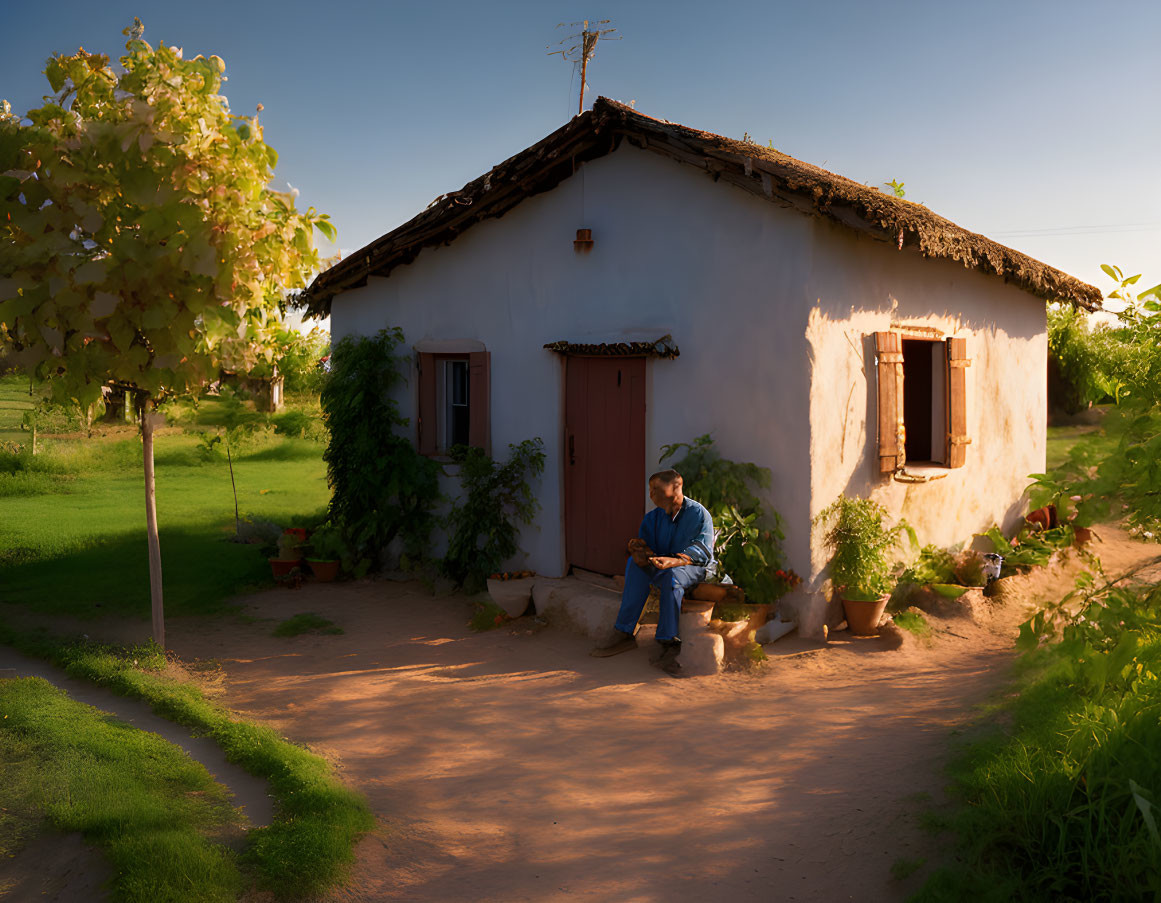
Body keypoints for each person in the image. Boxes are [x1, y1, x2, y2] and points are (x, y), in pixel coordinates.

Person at [591, 469, 715, 675]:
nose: (651, 494)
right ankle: (624, 630)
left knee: (672, 576)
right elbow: (648, 549)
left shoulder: (698, 513)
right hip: (663, 566)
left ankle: (668, 641)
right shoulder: (652, 518)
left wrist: (674, 561)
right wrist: (640, 551)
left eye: (656, 489)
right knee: (634, 565)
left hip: (693, 569)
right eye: (650, 489)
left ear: (676, 487)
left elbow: (702, 552)